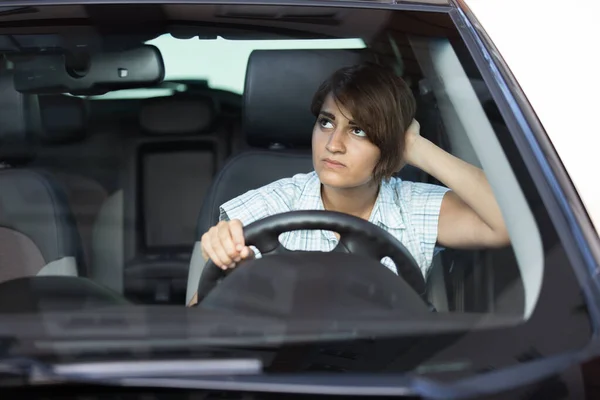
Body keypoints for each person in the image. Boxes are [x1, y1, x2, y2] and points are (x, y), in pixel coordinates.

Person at [187, 62, 510, 307]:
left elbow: (508, 225)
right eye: (326, 122)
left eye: (359, 131)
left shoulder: (412, 207)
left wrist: (415, 146)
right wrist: (237, 274)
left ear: (390, 143)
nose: (334, 144)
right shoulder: (267, 206)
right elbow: (198, 318)